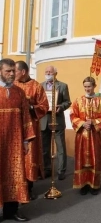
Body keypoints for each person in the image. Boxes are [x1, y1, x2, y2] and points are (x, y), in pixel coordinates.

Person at [0, 58, 35, 222]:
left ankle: (11, 211)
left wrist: (26, 141)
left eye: (13, 70)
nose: (12, 74)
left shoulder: (19, 92)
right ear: (0, 71)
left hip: (15, 142)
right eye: (8, 71)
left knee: (15, 174)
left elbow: (26, 117)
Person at [14, 61, 49, 201]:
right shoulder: (13, 85)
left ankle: (29, 188)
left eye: (15, 71)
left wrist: (31, 107)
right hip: (15, 128)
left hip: (30, 129)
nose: (13, 74)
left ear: (23, 72)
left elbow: (45, 106)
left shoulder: (36, 86)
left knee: (29, 158)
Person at [70, 77, 101, 195]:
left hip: (95, 135)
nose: (87, 89)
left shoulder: (100, 101)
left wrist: (94, 122)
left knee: (95, 159)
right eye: (85, 86)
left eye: (89, 86)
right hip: (82, 135)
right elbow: (72, 115)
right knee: (81, 159)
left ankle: (94, 185)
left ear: (94, 86)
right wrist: (82, 123)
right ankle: (83, 184)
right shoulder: (78, 101)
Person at [40, 65, 71, 180]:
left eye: (50, 72)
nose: (48, 73)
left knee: (60, 147)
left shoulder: (62, 86)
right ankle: (47, 169)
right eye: (46, 71)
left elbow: (68, 102)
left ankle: (61, 170)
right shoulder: (40, 86)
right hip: (43, 120)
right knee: (44, 148)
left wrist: (61, 107)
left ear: (55, 74)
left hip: (57, 119)